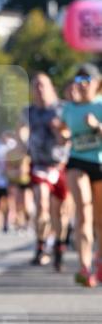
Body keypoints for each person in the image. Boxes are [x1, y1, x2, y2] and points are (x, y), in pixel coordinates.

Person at [53, 63, 102, 287]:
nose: (81, 86)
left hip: (99, 163)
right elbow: (64, 128)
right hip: (77, 161)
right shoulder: (70, 108)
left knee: (100, 220)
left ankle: (99, 260)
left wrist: (97, 127)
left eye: (86, 81)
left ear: (97, 83)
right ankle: (84, 266)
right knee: (84, 211)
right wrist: (61, 134)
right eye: (78, 81)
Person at [17, 73, 69, 268]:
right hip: (39, 164)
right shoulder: (29, 111)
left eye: (43, 85)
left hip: (61, 165)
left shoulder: (61, 109)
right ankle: (41, 246)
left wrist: (59, 130)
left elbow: (68, 134)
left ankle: (59, 245)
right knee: (42, 204)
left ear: (51, 87)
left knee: (60, 212)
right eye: (36, 86)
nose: (39, 89)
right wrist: (23, 142)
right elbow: (21, 129)